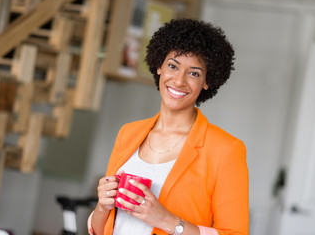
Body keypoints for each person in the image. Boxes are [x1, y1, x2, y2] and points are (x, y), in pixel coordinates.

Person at [88, 18, 249, 235]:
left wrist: (168, 221)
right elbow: (101, 228)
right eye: (173, 66)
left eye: (194, 73)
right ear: (159, 67)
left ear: (207, 82)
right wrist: (102, 206)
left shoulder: (225, 150)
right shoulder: (128, 133)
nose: (179, 80)